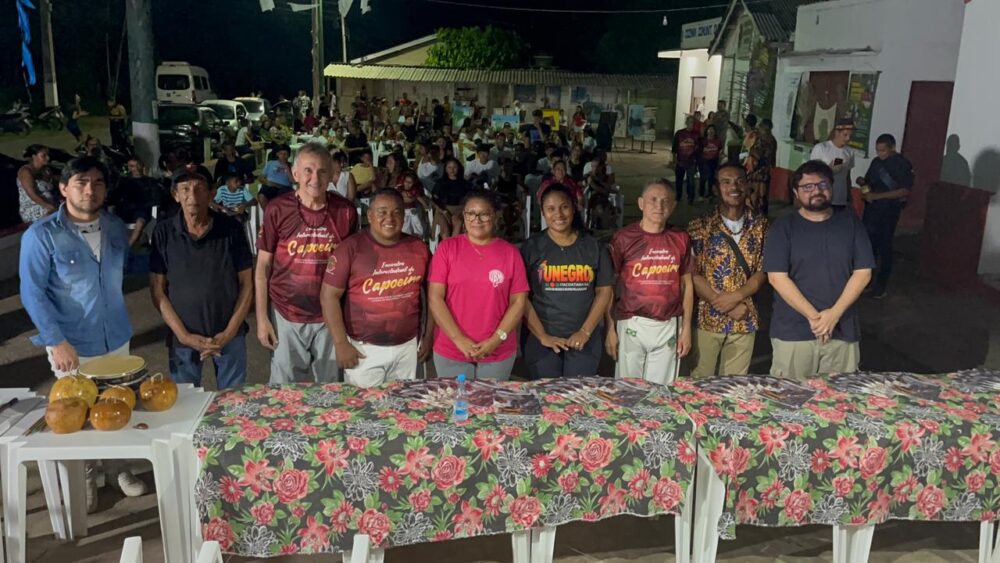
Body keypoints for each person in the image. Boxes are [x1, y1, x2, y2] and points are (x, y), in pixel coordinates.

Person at [19, 156, 144, 508]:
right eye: (81, 182)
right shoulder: (42, 236)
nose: (90, 190)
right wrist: (55, 341)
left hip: (117, 337)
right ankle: (86, 478)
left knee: (117, 404)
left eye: (97, 183)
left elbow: (129, 268)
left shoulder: (115, 226)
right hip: (72, 343)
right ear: (63, 188)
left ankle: (119, 469)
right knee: (76, 414)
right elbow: (32, 292)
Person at [255, 143, 359, 384]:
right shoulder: (277, 209)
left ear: (333, 174)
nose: (315, 178)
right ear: (295, 173)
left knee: (330, 388)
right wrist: (262, 318)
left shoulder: (345, 212)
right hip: (286, 313)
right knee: (285, 392)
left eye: (323, 171)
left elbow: (353, 269)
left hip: (329, 316)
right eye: (308, 170)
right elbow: (263, 267)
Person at [763, 160, 875, 379]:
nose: (816, 191)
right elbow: (777, 278)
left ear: (832, 188)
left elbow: (863, 273)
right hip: (794, 332)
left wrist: (834, 315)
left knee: (839, 402)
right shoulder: (783, 228)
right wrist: (816, 319)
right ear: (796, 192)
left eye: (823, 185)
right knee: (789, 401)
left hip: (842, 330)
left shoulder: (851, 224)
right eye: (808, 186)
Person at [150, 172, 253, 389]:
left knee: (233, 402)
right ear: (175, 195)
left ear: (211, 193)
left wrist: (229, 332)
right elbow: (158, 290)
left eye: (199, 188)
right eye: (185, 189)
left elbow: (246, 283)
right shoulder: (163, 232)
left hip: (229, 335)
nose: (192, 195)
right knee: (185, 402)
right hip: (183, 337)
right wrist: (184, 335)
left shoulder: (231, 228)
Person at [321, 189, 433, 387]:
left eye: (397, 212)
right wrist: (340, 343)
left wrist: (429, 335)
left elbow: (433, 296)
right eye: (382, 212)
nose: (389, 218)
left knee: (403, 408)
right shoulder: (350, 248)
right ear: (369, 215)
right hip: (364, 350)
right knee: (365, 410)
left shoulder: (419, 248)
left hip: (407, 346)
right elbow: (329, 296)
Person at [428, 190, 528, 379]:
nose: (477, 219)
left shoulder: (510, 253)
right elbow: (435, 298)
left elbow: (518, 303)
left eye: (484, 214)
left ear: (495, 216)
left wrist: (496, 340)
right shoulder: (447, 249)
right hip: (452, 349)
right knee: (457, 405)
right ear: (464, 216)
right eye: (471, 213)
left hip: (497, 351)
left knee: (489, 405)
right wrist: (459, 339)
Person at [605, 179, 694, 384]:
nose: (659, 206)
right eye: (653, 200)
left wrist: (686, 328)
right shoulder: (623, 238)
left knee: (661, 392)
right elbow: (608, 287)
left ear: (673, 206)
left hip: (668, 325)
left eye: (665, 201)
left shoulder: (681, 238)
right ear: (640, 203)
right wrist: (610, 328)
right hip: (631, 322)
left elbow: (687, 284)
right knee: (628, 389)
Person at [521, 185, 613, 378]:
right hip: (543, 341)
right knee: (546, 400)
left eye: (564, 207)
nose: (559, 214)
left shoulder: (593, 247)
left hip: (583, 340)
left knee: (576, 400)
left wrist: (585, 332)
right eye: (551, 209)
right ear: (543, 213)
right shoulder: (531, 248)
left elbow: (604, 292)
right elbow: (521, 298)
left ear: (574, 208)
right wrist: (542, 336)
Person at [687, 164, 769, 377]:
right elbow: (692, 274)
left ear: (748, 185)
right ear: (716, 188)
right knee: (700, 381)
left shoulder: (761, 226)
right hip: (707, 319)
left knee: (734, 386)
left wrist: (737, 298)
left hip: (745, 317)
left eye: (740, 181)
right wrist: (725, 305)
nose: (734, 187)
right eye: (726, 182)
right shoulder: (700, 226)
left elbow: (763, 270)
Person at [857, 133, 914, 298]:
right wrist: (863, 184)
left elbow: (904, 190)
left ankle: (881, 285)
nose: (880, 153)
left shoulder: (902, 164)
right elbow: (869, 182)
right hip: (871, 212)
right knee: (868, 247)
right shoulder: (876, 163)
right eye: (877, 150)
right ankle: (866, 281)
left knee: (885, 248)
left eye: (883, 150)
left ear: (892, 148)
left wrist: (877, 197)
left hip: (888, 212)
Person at [810, 118, 856, 209]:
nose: (848, 138)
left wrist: (849, 196)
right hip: (823, 197)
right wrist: (829, 169)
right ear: (836, 132)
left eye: (850, 135)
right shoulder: (821, 148)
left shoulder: (849, 152)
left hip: (840, 199)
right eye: (845, 135)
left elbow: (847, 176)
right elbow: (812, 173)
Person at [17, 145, 57, 223]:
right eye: (43, 156)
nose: (48, 158)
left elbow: (54, 183)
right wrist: (49, 207)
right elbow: (31, 194)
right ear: (34, 156)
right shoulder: (26, 171)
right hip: (35, 206)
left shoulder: (46, 170)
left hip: (50, 203)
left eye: (48, 155)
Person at [433, 157, 472, 236]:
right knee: (445, 230)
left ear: (458, 168)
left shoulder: (464, 183)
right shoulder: (440, 182)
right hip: (443, 209)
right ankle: (447, 246)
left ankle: (453, 246)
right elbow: (434, 198)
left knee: (458, 224)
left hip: (459, 210)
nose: (452, 170)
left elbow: (469, 198)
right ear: (446, 169)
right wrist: (444, 210)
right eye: (449, 167)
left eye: (454, 167)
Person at [747, 118, 777, 215]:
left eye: (761, 126)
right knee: (763, 193)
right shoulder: (773, 139)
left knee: (755, 192)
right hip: (766, 170)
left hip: (757, 170)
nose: (759, 128)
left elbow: (755, 156)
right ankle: (762, 213)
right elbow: (773, 156)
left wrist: (750, 167)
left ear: (765, 127)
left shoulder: (761, 140)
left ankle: (754, 212)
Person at [672, 117, 701, 205]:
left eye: (693, 122)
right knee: (679, 180)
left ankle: (690, 197)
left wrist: (697, 162)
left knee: (691, 181)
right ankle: (678, 195)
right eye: (690, 122)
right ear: (686, 123)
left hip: (691, 161)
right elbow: (674, 148)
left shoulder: (697, 134)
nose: (691, 124)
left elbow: (699, 149)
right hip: (680, 161)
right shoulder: (679, 133)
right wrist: (674, 160)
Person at [698, 125, 724, 202]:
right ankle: (701, 194)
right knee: (703, 178)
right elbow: (699, 151)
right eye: (710, 130)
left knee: (711, 179)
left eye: (713, 130)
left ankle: (710, 194)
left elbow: (720, 150)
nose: (711, 131)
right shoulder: (703, 141)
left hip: (714, 161)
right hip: (704, 161)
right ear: (707, 131)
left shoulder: (717, 141)